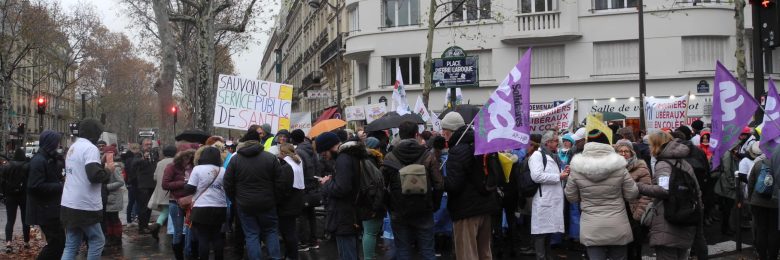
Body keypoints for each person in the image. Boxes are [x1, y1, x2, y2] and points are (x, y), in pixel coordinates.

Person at [565, 131, 638, 259]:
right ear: (607, 144)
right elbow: (632, 194)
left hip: (591, 226)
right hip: (617, 224)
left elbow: (571, 196)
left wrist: (584, 198)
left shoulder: (576, 168)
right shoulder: (620, 166)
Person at [441, 112, 499, 260]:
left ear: (450, 131)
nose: (443, 134)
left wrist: (440, 180)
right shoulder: (481, 143)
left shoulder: (457, 150)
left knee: (467, 254)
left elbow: (454, 185)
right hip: (486, 207)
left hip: (466, 211)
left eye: (444, 130)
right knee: (485, 253)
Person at [382, 121, 443, 260]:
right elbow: (439, 184)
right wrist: (434, 204)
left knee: (403, 250)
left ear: (400, 135)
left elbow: (382, 185)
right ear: (417, 135)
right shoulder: (428, 156)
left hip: (399, 209)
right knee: (427, 250)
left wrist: (389, 205)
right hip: (424, 209)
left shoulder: (390, 156)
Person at [637, 131, 699, 259]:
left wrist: (640, 186)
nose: (648, 147)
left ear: (656, 145)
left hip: (668, 218)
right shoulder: (684, 162)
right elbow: (697, 190)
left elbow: (664, 190)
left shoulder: (663, 164)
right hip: (685, 217)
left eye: (650, 144)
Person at [224, 129, 283, 260]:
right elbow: (280, 183)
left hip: (245, 204)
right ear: (259, 141)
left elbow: (227, 184)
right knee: (271, 232)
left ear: (244, 142)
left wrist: (235, 200)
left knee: (251, 234)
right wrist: (275, 199)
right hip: (267, 203)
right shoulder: (270, 158)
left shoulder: (236, 160)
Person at [60, 119, 112, 260]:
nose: (99, 137)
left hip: (68, 203)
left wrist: (98, 165)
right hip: (84, 205)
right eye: (98, 133)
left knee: (71, 244)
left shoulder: (73, 147)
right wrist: (108, 170)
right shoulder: (90, 148)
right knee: (97, 240)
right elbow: (94, 176)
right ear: (93, 133)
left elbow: (81, 171)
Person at [318, 132, 362, 260]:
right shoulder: (350, 155)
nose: (323, 156)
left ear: (330, 147)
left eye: (324, 152)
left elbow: (341, 188)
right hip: (350, 213)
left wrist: (327, 184)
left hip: (344, 215)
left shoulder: (343, 159)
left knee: (347, 254)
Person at [27, 130, 65, 260]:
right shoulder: (39, 161)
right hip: (44, 209)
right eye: (57, 142)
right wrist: (59, 186)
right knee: (56, 243)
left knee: (58, 243)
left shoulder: (48, 159)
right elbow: (34, 186)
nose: (58, 145)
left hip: (49, 208)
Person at [182, 147, 226, 260]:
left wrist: (184, 185)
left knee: (203, 238)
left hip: (201, 207)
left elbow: (190, 189)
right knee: (217, 236)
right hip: (220, 206)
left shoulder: (197, 169)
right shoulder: (223, 170)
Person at [529, 130, 566, 260]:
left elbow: (557, 174)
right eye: (556, 141)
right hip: (543, 198)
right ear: (547, 142)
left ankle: (547, 256)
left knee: (549, 229)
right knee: (541, 232)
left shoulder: (555, 156)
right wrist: (558, 176)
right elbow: (536, 176)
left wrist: (564, 172)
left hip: (553, 198)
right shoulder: (537, 156)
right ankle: (541, 257)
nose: (558, 143)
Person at [615, 142, 652, 260]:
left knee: (635, 244)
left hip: (634, 210)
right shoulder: (612, 168)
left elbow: (647, 192)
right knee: (621, 245)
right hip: (618, 210)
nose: (623, 154)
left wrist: (639, 213)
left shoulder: (640, 166)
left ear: (632, 152)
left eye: (626, 151)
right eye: (620, 151)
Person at [162, 145, 197, 260]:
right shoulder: (171, 167)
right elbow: (165, 184)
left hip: (191, 202)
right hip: (176, 202)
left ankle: (189, 253)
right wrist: (183, 182)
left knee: (191, 230)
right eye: (186, 156)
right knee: (177, 231)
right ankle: (179, 256)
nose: (188, 158)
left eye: (190, 156)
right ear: (180, 156)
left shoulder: (195, 166)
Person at [291, 129, 322, 251]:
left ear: (293, 139)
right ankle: (313, 241)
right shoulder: (311, 149)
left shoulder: (298, 151)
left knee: (302, 215)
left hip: (304, 187)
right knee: (311, 214)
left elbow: (300, 171)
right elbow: (317, 167)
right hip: (313, 186)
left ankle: (304, 242)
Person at [747, 144, 778, 260]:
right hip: (776, 204)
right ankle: (773, 256)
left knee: (761, 230)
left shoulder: (759, 163)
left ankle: (762, 255)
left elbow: (751, 183)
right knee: (774, 231)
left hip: (758, 202)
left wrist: (750, 200)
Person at [276, 143, 306, 260]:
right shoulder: (297, 163)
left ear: (283, 153)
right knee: (291, 230)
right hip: (296, 202)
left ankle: (292, 255)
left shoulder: (286, 168)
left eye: (280, 152)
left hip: (287, 205)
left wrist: (277, 201)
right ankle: (291, 254)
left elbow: (284, 188)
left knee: (288, 233)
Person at [2, 148, 30, 253]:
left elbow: (2, 181)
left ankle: (8, 243)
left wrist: (4, 195)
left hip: (10, 196)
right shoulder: (27, 166)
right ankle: (26, 242)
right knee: (25, 220)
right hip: (24, 195)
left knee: (10, 220)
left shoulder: (7, 166)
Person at [147, 145, 177, 240]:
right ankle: (168, 230)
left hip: (161, 190)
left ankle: (158, 226)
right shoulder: (176, 162)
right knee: (171, 211)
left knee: (166, 210)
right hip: (172, 190)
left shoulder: (159, 163)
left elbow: (155, 177)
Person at [364, 136, 384, 260]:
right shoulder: (372, 161)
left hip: (366, 201)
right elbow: (376, 185)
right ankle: (368, 257)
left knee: (368, 231)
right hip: (372, 201)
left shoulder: (364, 159)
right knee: (370, 232)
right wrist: (376, 205)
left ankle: (370, 254)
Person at [133, 138, 159, 234]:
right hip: (142, 185)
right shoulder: (138, 154)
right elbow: (133, 164)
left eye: (150, 144)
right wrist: (142, 158)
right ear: (142, 145)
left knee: (149, 206)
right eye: (147, 144)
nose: (149, 146)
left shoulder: (154, 153)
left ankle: (146, 225)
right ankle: (142, 227)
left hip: (152, 183)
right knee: (143, 207)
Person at [102, 145, 125, 248]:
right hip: (107, 198)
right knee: (108, 219)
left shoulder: (115, 167)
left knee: (114, 219)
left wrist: (106, 187)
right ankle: (110, 237)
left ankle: (116, 238)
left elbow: (120, 182)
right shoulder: (103, 166)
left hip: (114, 198)